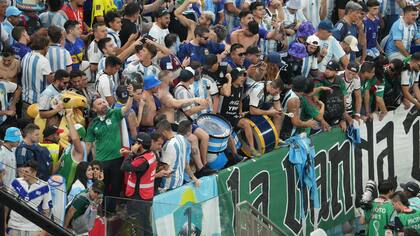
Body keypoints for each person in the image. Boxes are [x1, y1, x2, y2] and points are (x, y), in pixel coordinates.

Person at [85, 84, 134, 212]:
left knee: (116, 187)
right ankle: (103, 210)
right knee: (102, 187)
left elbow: (127, 108)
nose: (103, 104)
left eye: (104, 101)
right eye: (99, 104)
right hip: (101, 162)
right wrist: (86, 162)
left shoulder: (114, 114)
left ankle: (111, 211)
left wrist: (131, 96)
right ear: (94, 109)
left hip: (117, 159)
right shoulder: (93, 124)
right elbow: (88, 144)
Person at [121, 132, 170, 236]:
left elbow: (124, 167)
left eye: (136, 143)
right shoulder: (151, 155)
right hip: (145, 196)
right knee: (145, 224)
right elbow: (140, 159)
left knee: (137, 226)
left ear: (140, 145)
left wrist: (131, 154)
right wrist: (130, 152)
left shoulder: (142, 161)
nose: (134, 144)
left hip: (137, 198)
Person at [218, 68, 260, 156]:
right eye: (240, 76)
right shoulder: (226, 85)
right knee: (228, 132)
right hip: (222, 117)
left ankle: (252, 148)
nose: (242, 78)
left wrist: (240, 111)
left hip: (233, 116)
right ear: (234, 77)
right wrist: (229, 80)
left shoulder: (241, 87)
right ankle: (236, 156)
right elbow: (227, 94)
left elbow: (239, 100)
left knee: (246, 123)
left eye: (243, 76)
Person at [7, 160, 51, 236]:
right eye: (23, 171)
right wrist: (3, 225)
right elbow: (6, 206)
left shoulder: (45, 186)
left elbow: (46, 211)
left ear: (34, 173)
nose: (23, 174)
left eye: (27, 172)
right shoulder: (15, 182)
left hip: (34, 229)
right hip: (13, 226)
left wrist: (44, 230)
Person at [156, 119, 199, 192]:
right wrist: (193, 177)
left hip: (168, 187)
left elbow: (166, 169)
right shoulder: (182, 139)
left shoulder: (167, 146)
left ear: (164, 132)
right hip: (179, 184)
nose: (160, 136)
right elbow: (185, 163)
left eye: (160, 133)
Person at [314, 61, 352, 131]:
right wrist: (322, 121)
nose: (327, 71)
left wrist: (342, 119)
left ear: (336, 72)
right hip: (320, 114)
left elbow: (343, 100)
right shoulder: (319, 81)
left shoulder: (340, 81)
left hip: (335, 112)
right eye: (327, 68)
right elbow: (315, 102)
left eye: (331, 70)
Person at [21, 35, 52, 112]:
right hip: (38, 104)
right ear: (45, 47)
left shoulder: (26, 56)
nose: (48, 49)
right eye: (48, 47)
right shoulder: (44, 61)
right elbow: (50, 81)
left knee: (25, 124)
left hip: (25, 101)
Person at [0, 60, 21, 133]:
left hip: (5, 121)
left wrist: (13, 104)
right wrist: (6, 112)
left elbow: (18, 88)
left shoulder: (3, 84)